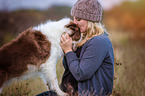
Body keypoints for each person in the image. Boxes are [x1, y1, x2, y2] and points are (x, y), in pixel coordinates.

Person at [60, 0, 114, 96]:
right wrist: (71, 47)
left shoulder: (99, 41)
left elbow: (81, 74)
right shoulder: (84, 39)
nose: (75, 23)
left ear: (90, 20)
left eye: (78, 19)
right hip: (67, 92)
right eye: (74, 18)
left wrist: (68, 50)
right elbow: (69, 68)